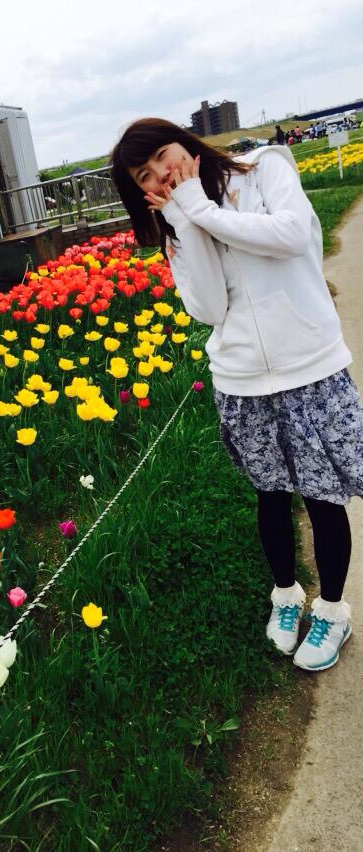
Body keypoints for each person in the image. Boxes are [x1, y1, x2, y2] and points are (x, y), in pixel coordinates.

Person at [110, 117, 361, 672]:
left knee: (323, 499)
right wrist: (188, 221)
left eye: (162, 157)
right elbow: (209, 308)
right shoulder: (178, 226)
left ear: (183, 142)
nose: (161, 175)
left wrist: (202, 209)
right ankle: (286, 596)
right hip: (243, 381)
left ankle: (332, 611)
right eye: (145, 176)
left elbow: (292, 236)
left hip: (310, 369)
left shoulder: (264, 169)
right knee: (270, 497)